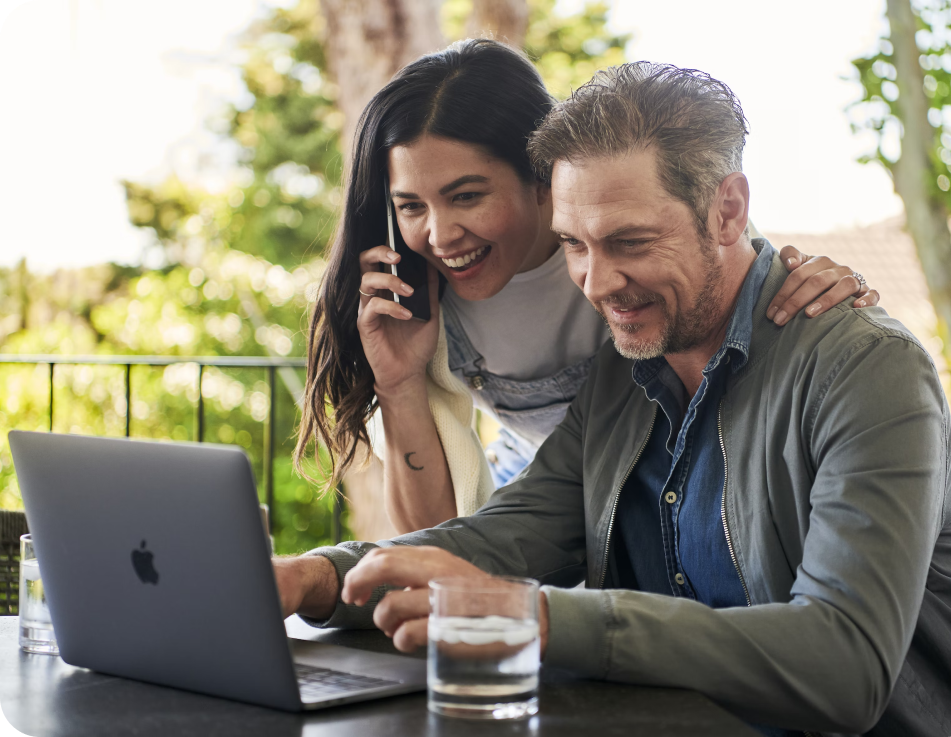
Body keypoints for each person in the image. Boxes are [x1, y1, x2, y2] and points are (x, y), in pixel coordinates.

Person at [275, 62, 951, 735]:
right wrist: (317, 578)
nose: (596, 283)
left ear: (727, 210)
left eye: (629, 241)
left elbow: (845, 666)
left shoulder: (863, 369)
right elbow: (501, 536)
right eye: (573, 244)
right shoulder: (623, 369)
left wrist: (536, 615)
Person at [295, 39, 879, 534]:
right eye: (410, 206)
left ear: (542, 178)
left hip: (674, 491)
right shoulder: (417, 302)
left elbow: (746, 272)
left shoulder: (644, 237)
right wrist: (398, 384)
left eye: (467, 196)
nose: (440, 234)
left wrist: (818, 286)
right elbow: (433, 540)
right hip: (537, 495)